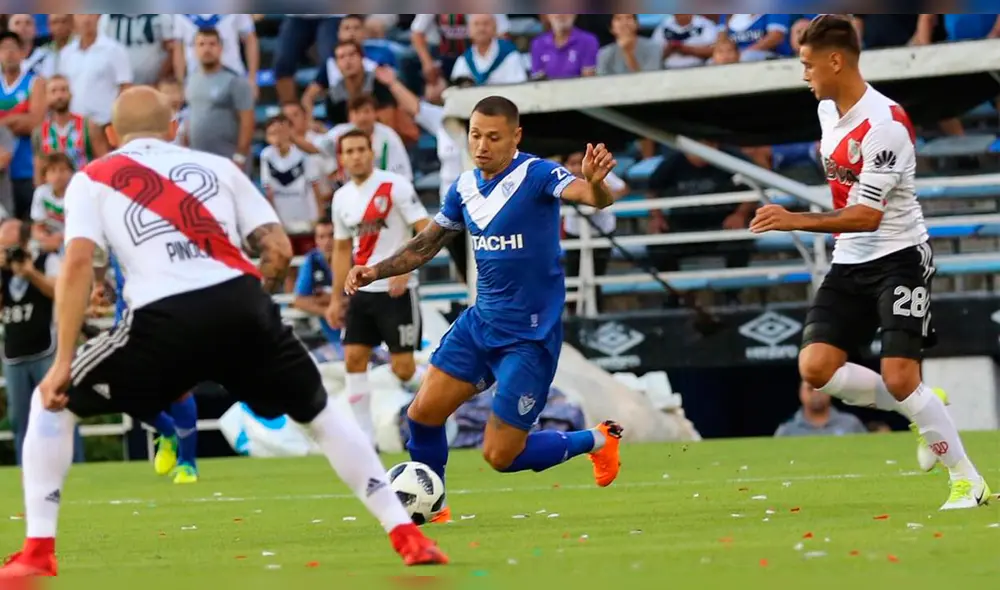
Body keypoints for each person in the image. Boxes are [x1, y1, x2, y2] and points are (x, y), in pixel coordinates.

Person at [0, 87, 447, 579]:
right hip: (241, 305)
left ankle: (39, 550)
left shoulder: (91, 178)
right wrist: (254, 311)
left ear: (110, 136)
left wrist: (63, 361)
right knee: (319, 412)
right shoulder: (220, 168)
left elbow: (79, 261)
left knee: (51, 401)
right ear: (174, 128)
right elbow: (276, 249)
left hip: (161, 320)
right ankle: (404, 531)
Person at [342, 96, 624, 524]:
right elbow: (426, 244)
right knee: (422, 415)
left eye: (494, 137)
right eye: (475, 135)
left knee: (500, 455)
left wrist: (598, 183)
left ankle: (598, 441)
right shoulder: (464, 187)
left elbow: (592, 197)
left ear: (516, 137)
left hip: (528, 338)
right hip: (480, 324)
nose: (482, 145)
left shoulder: (538, 173)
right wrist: (374, 270)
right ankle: (434, 507)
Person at [749, 15, 991, 510]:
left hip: (899, 256)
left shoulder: (885, 124)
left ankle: (968, 479)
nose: (804, 75)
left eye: (807, 64)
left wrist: (792, 218)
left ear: (835, 60)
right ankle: (925, 408)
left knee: (901, 377)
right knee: (816, 368)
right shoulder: (826, 113)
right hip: (851, 259)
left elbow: (866, 215)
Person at [326, 129, 430, 444]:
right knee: (354, 359)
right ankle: (365, 439)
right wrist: (335, 298)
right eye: (349, 151)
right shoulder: (341, 197)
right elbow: (342, 249)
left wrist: (405, 269)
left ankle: (445, 401)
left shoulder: (395, 186)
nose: (356, 156)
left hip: (397, 291)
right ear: (341, 158)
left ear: (371, 152)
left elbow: (424, 228)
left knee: (403, 369)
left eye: (361, 149)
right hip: (362, 293)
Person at [0, 218, 83, 465]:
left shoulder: (46, 260)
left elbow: (60, 291)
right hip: (14, 354)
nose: (7, 253)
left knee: (60, 412)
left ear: (25, 243)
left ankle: (74, 465)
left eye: (10, 247)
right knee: (20, 421)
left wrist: (30, 273)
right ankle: (27, 470)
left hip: (46, 351)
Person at [182, 27, 254, 169]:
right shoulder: (191, 80)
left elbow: (248, 121)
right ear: (194, 49)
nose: (207, 49)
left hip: (228, 160)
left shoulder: (235, 81)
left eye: (212, 44)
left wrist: (240, 157)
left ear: (220, 48)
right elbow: (190, 116)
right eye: (201, 44)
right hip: (199, 161)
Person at [259, 114, 324, 254]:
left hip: (307, 219)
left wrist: (319, 218)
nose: (277, 137)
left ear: (289, 131)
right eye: (272, 133)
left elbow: (315, 187)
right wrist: (273, 222)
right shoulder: (266, 156)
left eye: (281, 132)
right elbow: (268, 192)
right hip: (283, 221)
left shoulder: (304, 154)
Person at [31, 74, 110, 185]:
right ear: (46, 97)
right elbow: (39, 170)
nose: (59, 96)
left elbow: (104, 161)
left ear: (71, 94)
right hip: (55, 196)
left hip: (84, 189)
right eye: (53, 91)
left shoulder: (89, 126)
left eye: (63, 90)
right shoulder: (39, 132)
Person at [0, 31, 45, 221]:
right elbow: (26, 120)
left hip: (27, 168)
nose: (9, 53)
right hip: (2, 172)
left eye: (13, 49)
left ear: (22, 52)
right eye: (3, 49)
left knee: (29, 226)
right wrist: (19, 118)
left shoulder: (36, 83)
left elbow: (35, 123)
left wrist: (2, 123)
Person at [292, 219, 343, 362]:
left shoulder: (353, 258)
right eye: (321, 237)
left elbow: (361, 299)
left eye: (331, 235)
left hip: (359, 337)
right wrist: (329, 311)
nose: (327, 241)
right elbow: (299, 301)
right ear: (315, 240)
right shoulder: (312, 261)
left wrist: (329, 299)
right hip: (325, 340)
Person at [774, 380, 868, 437]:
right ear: (800, 392)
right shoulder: (787, 431)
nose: (816, 394)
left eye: (821, 389)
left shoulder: (851, 424)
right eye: (810, 389)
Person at [30, 152, 74, 254]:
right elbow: (38, 225)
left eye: (62, 170)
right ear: (45, 176)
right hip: (50, 237)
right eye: (53, 171)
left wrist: (60, 238)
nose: (58, 175)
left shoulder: (76, 194)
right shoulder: (41, 193)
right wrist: (43, 237)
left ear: (71, 173)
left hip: (73, 238)